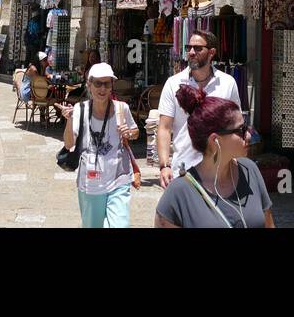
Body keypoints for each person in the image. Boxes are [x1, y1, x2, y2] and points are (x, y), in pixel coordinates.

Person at [154, 85, 274, 229]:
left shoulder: (250, 171)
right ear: (215, 140)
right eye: (241, 130)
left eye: (246, 127)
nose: (248, 135)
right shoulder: (178, 193)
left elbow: (269, 223)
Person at [157, 29, 240, 186]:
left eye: (198, 48)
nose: (192, 52)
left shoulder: (227, 83)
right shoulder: (173, 84)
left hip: (219, 169)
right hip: (182, 169)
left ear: (212, 52)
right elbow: (164, 128)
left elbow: (236, 126)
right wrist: (164, 165)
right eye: (189, 48)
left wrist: (235, 161)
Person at [61, 63, 138, 228]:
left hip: (119, 178)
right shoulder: (80, 109)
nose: (102, 88)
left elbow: (135, 131)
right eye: (98, 83)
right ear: (89, 84)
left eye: (107, 84)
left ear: (111, 85)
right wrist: (69, 121)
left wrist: (129, 133)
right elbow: (69, 144)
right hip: (90, 182)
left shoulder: (121, 108)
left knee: (120, 225)